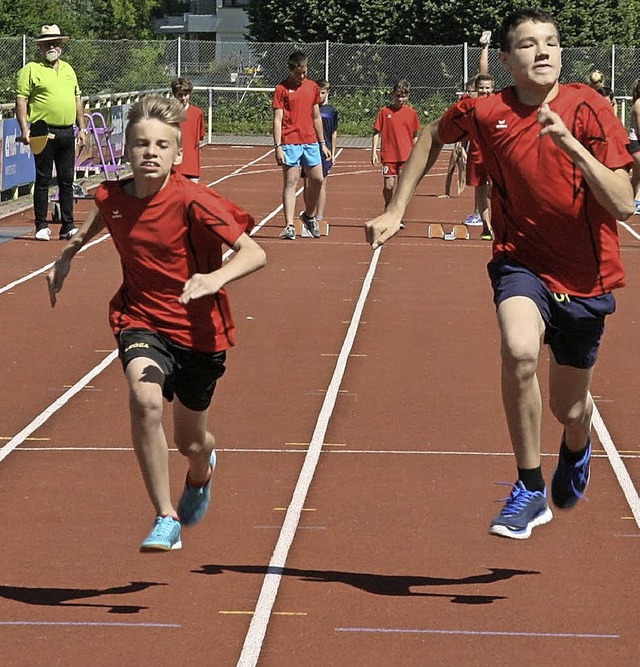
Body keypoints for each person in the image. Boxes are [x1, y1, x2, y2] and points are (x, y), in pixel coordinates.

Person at [365, 8, 634, 540]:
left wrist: (572, 147)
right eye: (530, 45)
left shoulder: (590, 108)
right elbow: (429, 138)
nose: (543, 52)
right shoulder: (486, 111)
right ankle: (529, 487)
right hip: (521, 261)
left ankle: (577, 442)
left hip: (586, 276)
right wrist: (398, 209)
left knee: (569, 406)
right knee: (518, 349)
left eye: (552, 43)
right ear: (507, 60)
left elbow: (624, 203)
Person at [46, 95, 267, 552]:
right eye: (141, 143)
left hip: (200, 333)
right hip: (141, 318)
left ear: (178, 155)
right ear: (126, 149)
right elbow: (105, 215)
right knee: (144, 399)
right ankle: (165, 516)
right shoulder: (112, 196)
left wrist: (214, 277)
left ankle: (202, 468)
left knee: (191, 441)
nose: (151, 152)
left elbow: (255, 252)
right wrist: (68, 255)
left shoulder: (193, 199)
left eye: (162, 145)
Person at [16, 24, 87, 241]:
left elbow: (77, 100)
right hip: (43, 132)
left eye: (55, 42)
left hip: (67, 131)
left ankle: (68, 225)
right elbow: (21, 100)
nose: (52, 46)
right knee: (44, 179)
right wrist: (25, 130)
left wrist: (82, 127)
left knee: (67, 180)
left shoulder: (68, 69)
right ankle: (41, 225)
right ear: (41, 46)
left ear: (61, 46)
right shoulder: (30, 69)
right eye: (47, 43)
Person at [273, 50, 331, 240]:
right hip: (290, 141)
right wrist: (278, 146)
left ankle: (309, 215)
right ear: (291, 70)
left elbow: (316, 117)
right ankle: (289, 225)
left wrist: (323, 143)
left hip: (311, 141)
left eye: (305, 72)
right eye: (299, 73)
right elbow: (278, 119)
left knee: (318, 179)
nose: (302, 76)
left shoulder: (312, 87)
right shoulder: (282, 89)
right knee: (291, 182)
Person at [371, 80, 420, 216]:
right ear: (393, 95)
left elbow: (415, 135)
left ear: (408, 96)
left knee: (402, 187)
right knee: (389, 185)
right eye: (397, 95)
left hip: (406, 156)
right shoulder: (384, 112)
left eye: (403, 96)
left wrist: (416, 154)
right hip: (389, 155)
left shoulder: (412, 113)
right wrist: (374, 151)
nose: (400, 99)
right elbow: (376, 132)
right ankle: (388, 206)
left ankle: (397, 213)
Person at [302, 79, 339, 225]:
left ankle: (319, 216)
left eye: (323, 93)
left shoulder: (332, 111)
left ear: (328, 93)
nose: (320, 96)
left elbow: (334, 132)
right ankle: (308, 213)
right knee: (307, 183)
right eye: (318, 93)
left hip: (325, 150)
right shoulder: (310, 108)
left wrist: (333, 152)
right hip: (309, 148)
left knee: (322, 182)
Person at [171, 76, 206, 181]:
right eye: (180, 95)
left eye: (186, 95)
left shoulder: (197, 113)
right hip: (173, 167)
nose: (183, 98)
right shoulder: (169, 114)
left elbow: (200, 136)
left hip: (191, 167)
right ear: (175, 95)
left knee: (191, 196)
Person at [627, 79, 640, 214]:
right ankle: (637, 202)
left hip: (635, 143)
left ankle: (629, 199)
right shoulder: (639, 104)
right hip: (636, 143)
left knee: (636, 175)